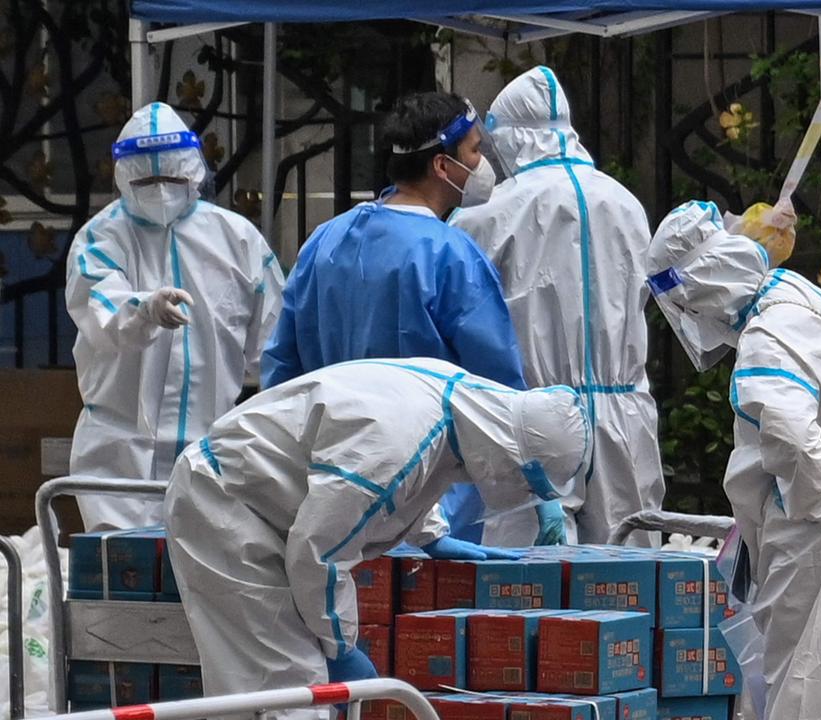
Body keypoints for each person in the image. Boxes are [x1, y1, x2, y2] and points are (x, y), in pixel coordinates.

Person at [164, 358, 589, 719]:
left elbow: (432, 464)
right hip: (227, 502)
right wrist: (341, 645)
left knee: (281, 685)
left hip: (267, 502)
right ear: (514, 459)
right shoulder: (392, 444)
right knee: (287, 687)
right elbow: (320, 554)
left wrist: (431, 533)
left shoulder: (455, 401)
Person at [647, 201, 821, 719]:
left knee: (816, 698)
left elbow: (796, 442)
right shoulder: (796, 296)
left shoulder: (765, 341)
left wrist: (803, 521)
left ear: (698, 286)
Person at [260, 91, 535, 544]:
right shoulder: (449, 255)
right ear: (442, 167)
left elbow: (283, 373)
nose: (483, 162)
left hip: (332, 485)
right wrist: (534, 478)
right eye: (475, 150)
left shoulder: (323, 243)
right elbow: (496, 389)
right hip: (429, 497)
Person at [451, 66, 664, 547]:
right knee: (628, 578)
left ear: (512, 138)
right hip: (624, 415)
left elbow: (461, 318)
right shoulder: (626, 202)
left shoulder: (487, 214)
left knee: (525, 590)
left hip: (533, 420)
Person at [65, 102, 283, 531]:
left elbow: (273, 340)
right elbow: (100, 309)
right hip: (119, 453)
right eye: (146, 180)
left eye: (172, 178)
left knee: (198, 584)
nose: (161, 191)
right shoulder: (100, 238)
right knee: (125, 580)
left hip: (212, 447)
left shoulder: (237, 240)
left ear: (194, 171)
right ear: (123, 178)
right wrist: (143, 309)